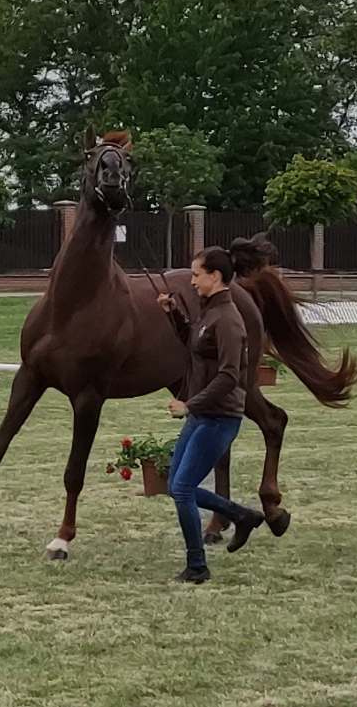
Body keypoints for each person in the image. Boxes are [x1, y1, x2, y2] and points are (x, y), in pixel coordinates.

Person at [157, 243, 268, 584]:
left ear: (215, 276)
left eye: (196, 275)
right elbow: (196, 343)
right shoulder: (209, 311)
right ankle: (241, 515)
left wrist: (190, 404)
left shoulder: (230, 320)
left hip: (219, 418)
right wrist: (174, 314)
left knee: (183, 489)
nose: (191, 282)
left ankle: (197, 566)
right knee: (178, 487)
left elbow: (229, 375)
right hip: (202, 416)